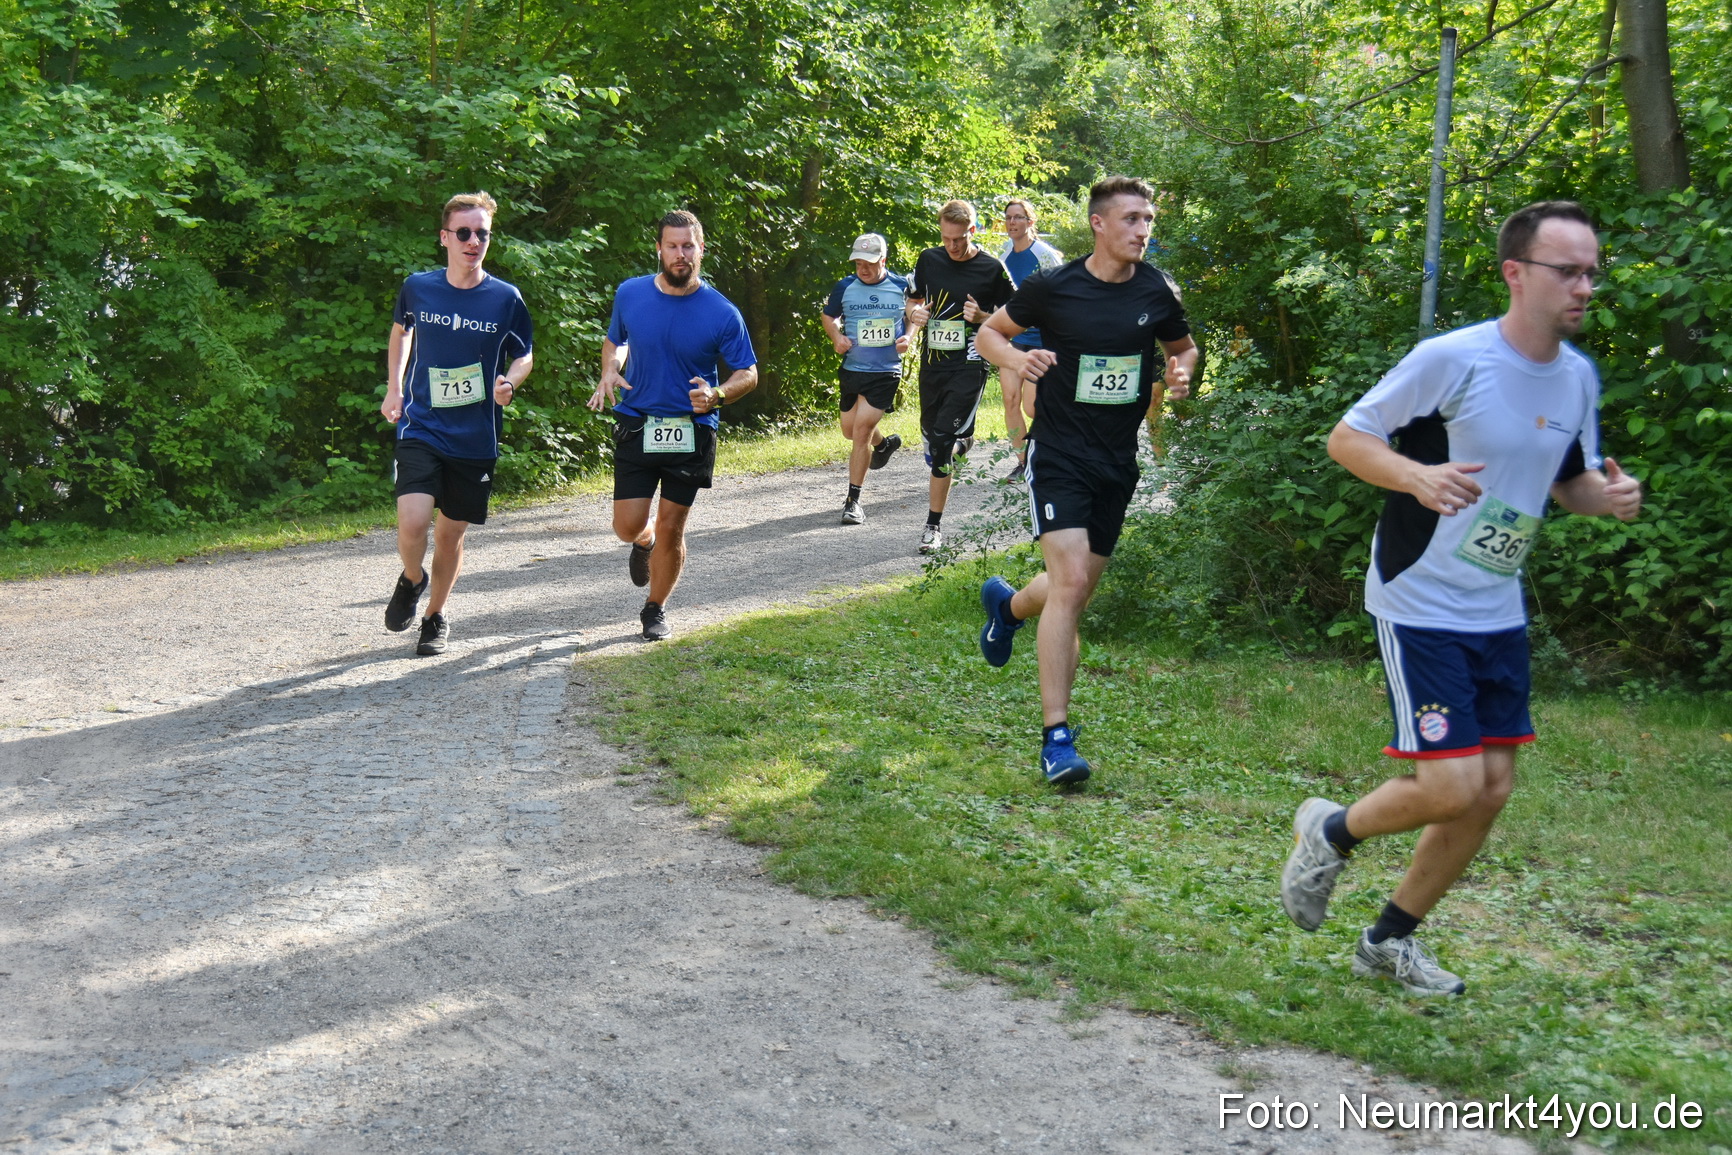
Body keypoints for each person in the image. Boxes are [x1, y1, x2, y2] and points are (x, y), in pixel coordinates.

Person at [1279, 200, 1642, 996]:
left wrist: (1605, 499)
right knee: (1450, 785)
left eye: (1592, 271)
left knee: (1493, 788)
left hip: (1496, 604)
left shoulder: (1577, 376)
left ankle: (1387, 941)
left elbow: (1568, 481)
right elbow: (1349, 437)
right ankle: (1329, 829)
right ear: (1517, 274)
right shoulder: (1455, 358)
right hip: (1421, 596)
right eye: (1567, 271)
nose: (1585, 286)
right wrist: (1416, 474)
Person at [974, 176, 1197, 784]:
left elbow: (1184, 347)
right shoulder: (1055, 286)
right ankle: (1056, 739)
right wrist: (1018, 360)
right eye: (1131, 219)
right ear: (1099, 224)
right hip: (1061, 454)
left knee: (1071, 592)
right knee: (1070, 584)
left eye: (1148, 219)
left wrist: (1180, 373)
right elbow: (989, 332)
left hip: (1115, 462)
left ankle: (1010, 607)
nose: (1143, 230)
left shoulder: (1156, 289)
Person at [587, 210, 758, 641]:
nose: (680, 255)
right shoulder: (630, 294)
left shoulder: (722, 312)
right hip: (638, 421)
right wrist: (610, 368)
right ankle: (641, 541)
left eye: (688, 246)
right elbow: (616, 341)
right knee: (627, 526)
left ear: (701, 250)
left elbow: (748, 373)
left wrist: (718, 394)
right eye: (672, 246)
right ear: (659, 249)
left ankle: (655, 607)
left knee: (673, 525)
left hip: (692, 428)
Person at [381, 191, 534, 656]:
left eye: (481, 234)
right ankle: (412, 579)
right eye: (464, 233)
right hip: (422, 423)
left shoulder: (504, 298)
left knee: (450, 533)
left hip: (475, 435)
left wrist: (510, 380)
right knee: (413, 522)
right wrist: (395, 386)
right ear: (445, 237)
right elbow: (401, 330)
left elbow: (524, 353)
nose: (473, 241)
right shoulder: (419, 287)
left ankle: (436, 616)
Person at [905, 200, 1014, 553]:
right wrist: (916, 314)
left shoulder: (992, 268)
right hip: (933, 364)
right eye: (946, 238)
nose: (952, 246)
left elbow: (1014, 316)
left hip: (970, 362)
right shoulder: (928, 259)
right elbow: (913, 300)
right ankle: (960, 441)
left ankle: (933, 526)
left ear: (973, 230)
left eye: (959, 239)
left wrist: (983, 317)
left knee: (939, 444)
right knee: (931, 435)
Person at [820, 233, 911, 524]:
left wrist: (908, 337)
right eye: (858, 262)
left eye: (869, 263)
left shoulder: (900, 286)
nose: (863, 268)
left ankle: (853, 502)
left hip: (885, 372)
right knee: (850, 430)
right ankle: (883, 445)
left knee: (859, 434)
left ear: (883, 260)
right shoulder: (844, 287)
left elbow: (914, 314)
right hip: (852, 368)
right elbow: (828, 317)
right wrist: (836, 336)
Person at [996, 198, 1064, 482]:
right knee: (1010, 400)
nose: (1012, 222)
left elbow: (1062, 296)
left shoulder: (1046, 255)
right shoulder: (1002, 254)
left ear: (1030, 222)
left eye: (1018, 217)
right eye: (1009, 217)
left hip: (1040, 341)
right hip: (1010, 339)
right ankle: (1023, 461)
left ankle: (1050, 450)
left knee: (1031, 406)